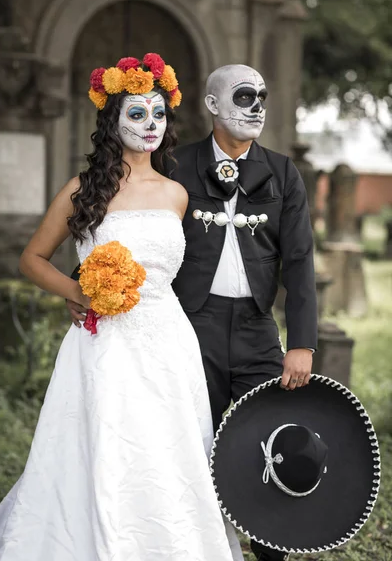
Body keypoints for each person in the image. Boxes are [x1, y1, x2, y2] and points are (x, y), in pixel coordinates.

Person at [0, 54, 243, 561]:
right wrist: (77, 291)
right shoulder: (84, 191)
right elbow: (31, 258)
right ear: (112, 120)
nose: (150, 124)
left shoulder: (177, 195)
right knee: (106, 444)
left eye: (158, 113)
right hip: (103, 340)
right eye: (136, 114)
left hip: (167, 340)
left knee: (167, 449)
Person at [67, 63, 318, 561]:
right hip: (188, 328)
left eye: (263, 96)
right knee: (186, 442)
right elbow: (130, 229)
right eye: (245, 96)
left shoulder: (283, 172)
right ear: (212, 105)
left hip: (256, 328)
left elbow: (300, 260)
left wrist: (303, 344)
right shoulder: (175, 165)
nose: (257, 107)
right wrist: (93, 287)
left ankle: (270, 552)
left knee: (269, 438)